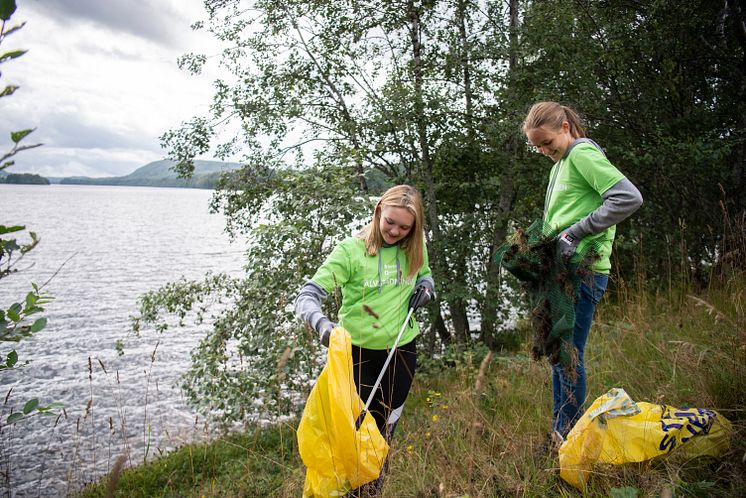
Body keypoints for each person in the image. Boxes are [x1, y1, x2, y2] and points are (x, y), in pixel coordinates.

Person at [295, 184, 435, 492]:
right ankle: (346, 485)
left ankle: (372, 487)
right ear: (378, 212)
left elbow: (425, 275)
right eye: (390, 222)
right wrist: (322, 326)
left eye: (404, 227)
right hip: (357, 355)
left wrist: (426, 288)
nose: (395, 231)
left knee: (384, 428)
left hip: (401, 352)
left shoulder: (415, 246)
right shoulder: (350, 251)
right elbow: (306, 297)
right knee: (354, 429)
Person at [521, 101, 643, 445]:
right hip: (561, 270)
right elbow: (559, 219)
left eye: (547, 142)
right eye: (537, 147)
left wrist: (575, 233)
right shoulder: (560, 165)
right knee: (560, 354)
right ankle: (562, 432)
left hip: (583, 272)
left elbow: (627, 198)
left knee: (570, 355)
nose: (544, 151)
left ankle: (572, 438)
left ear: (564, 127)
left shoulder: (582, 154)